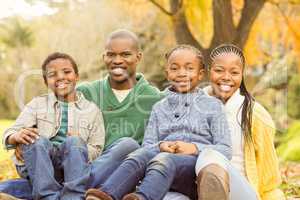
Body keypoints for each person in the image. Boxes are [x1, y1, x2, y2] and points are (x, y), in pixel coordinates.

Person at [85, 44, 232, 200]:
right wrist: (161, 146)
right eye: (175, 69)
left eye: (189, 69)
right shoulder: (159, 107)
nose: (182, 73)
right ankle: (106, 195)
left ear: (201, 74)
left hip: (190, 171)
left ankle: (142, 198)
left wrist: (194, 148)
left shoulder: (213, 106)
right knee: (139, 155)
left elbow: (225, 149)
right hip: (158, 168)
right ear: (167, 74)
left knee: (164, 160)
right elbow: (148, 145)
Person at [2, 52, 105, 200]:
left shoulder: (92, 110)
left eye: (67, 72)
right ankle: (48, 196)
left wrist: (79, 145)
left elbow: (97, 149)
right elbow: (11, 132)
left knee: (74, 142)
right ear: (46, 82)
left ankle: (72, 196)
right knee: (36, 139)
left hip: (73, 169)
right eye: (52, 74)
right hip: (39, 166)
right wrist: (15, 137)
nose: (61, 77)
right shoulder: (37, 104)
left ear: (77, 76)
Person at [195, 44, 285, 200]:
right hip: (195, 190)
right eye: (219, 70)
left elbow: (269, 181)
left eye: (234, 72)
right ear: (209, 71)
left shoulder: (255, 114)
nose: (226, 77)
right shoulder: (193, 106)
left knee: (210, 154)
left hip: (242, 193)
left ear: (242, 75)